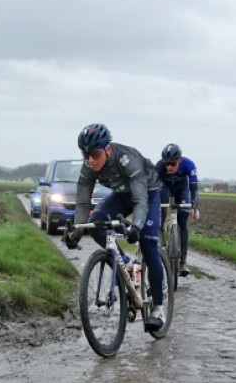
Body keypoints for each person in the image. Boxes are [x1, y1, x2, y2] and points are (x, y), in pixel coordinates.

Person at [63, 123, 167, 332]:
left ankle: (158, 307)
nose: (90, 160)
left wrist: (137, 226)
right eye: (85, 154)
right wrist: (77, 229)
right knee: (97, 223)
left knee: (147, 244)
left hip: (147, 192)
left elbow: (140, 200)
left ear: (107, 149)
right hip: (121, 194)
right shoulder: (89, 167)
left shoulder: (128, 161)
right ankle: (125, 263)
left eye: (94, 154)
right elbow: (83, 203)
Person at [156, 143, 199, 276]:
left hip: (182, 189)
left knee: (183, 221)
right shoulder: (159, 166)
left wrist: (194, 206)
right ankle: (160, 237)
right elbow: (152, 186)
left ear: (180, 160)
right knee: (161, 209)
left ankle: (183, 262)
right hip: (165, 187)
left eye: (173, 164)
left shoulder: (189, 165)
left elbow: (194, 188)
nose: (169, 167)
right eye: (167, 164)